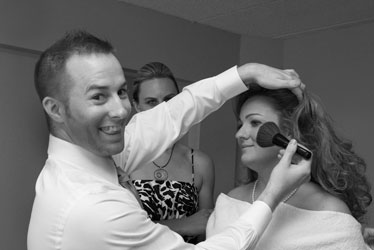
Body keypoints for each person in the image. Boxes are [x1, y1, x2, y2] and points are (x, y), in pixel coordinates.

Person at [27, 29, 310, 250]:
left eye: (121, 92)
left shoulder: (96, 151)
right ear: (56, 109)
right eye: (98, 96)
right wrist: (272, 195)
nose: (121, 110)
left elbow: (169, 117)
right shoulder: (93, 208)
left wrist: (244, 74)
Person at [206, 85, 372, 249]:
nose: (240, 134)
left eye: (255, 122)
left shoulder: (330, 211)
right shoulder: (231, 200)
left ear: (290, 132)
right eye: (240, 125)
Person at [130, 62, 214, 242]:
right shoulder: (121, 160)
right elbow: (116, 230)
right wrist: (183, 224)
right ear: (136, 106)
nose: (163, 109)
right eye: (151, 102)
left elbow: (207, 231)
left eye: (169, 100)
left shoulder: (199, 163)